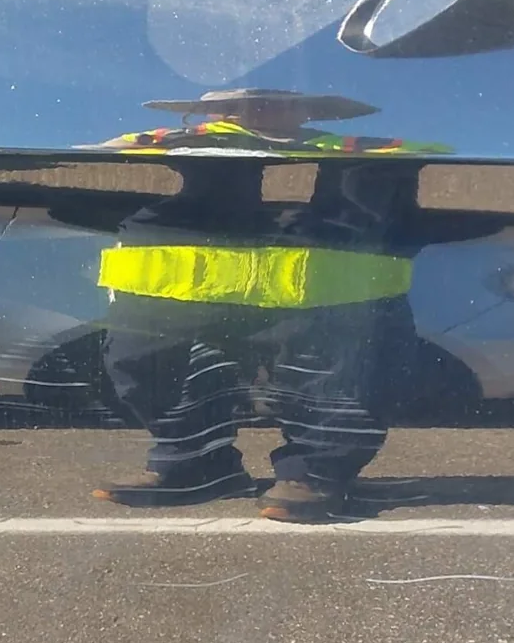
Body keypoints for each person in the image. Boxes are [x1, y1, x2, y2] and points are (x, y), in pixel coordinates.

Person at [89, 90, 432, 522]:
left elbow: (428, 160)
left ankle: (315, 473)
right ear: (217, 110)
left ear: (311, 109)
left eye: (280, 99)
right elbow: (91, 155)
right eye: (245, 101)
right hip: (175, 297)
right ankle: (195, 464)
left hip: (328, 300)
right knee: (148, 369)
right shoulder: (163, 142)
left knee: (333, 383)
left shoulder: (366, 152)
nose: (263, 109)